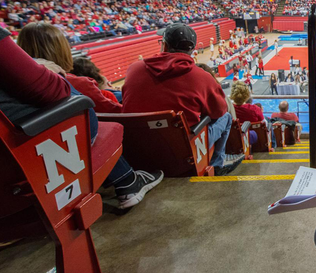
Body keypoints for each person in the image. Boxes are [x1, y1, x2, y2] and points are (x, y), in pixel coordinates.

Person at [7, 25, 163, 209]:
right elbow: (98, 118)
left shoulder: (11, 88)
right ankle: (128, 181)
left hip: (18, 160)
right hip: (53, 150)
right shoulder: (74, 82)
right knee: (95, 127)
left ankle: (127, 180)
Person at [122, 23, 240, 176]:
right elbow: (218, 111)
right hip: (183, 153)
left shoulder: (134, 69)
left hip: (137, 150)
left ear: (164, 45)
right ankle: (217, 165)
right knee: (226, 117)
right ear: (191, 50)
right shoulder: (202, 77)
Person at [17, 23, 121, 114]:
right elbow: (115, 111)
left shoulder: (17, 84)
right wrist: (106, 91)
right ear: (62, 49)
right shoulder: (79, 83)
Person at [229, 82, 262, 148]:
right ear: (247, 95)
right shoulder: (255, 109)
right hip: (252, 139)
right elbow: (263, 123)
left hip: (232, 139)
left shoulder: (228, 109)